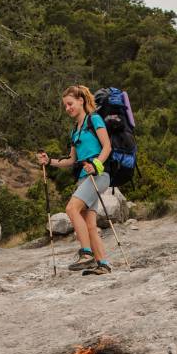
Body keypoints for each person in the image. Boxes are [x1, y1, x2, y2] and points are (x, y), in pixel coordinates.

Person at [37, 85, 113, 275]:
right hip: (83, 179)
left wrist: (96, 164)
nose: (68, 108)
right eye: (65, 106)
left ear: (81, 101)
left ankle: (86, 254)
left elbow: (107, 147)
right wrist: (50, 161)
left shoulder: (94, 119)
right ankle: (102, 264)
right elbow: (71, 160)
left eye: (70, 104)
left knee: (71, 209)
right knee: (89, 224)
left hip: (99, 175)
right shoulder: (74, 131)